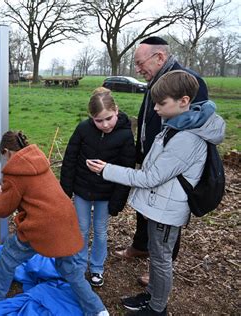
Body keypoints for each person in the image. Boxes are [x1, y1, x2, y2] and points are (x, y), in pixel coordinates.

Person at [87, 70, 225, 315]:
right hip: (161, 204)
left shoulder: (187, 139)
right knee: (157, 255)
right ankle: (151, 296)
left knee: (161, 260)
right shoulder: (177, 125)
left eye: (161, 103)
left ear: (183, 101)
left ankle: (157, 307)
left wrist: (107, 170)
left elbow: (151, 176)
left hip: (167, 210)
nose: (156, 109)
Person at [0, 131, 108, 315]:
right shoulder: (38, 162)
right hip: (66, 220)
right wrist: (4, 193)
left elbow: (2, 209)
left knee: (9, 254)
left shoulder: (15, 173)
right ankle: (98, 310)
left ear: (6, 151)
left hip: (42, 227)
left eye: (4, 157)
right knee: (69, 269)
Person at [117, 36, 209, 286]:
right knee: (145, 204)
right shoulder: (156, 80)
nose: (137, 69)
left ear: (159, 57)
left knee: (166, 213)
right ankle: (140, 245)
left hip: (172, 165)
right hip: (150, 155)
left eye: (139, 63)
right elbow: (148, 119)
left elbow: (197, 126)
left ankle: (162, 266)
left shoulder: (187, 81)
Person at [60, 87, 135, 287]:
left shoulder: (126, 136)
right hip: (82, 189)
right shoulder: (83, 129)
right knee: (82, 229)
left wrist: (118, 201)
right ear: (91, 118)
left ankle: (97, 268)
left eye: (108, 118)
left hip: (106, 193)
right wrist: (66, 190)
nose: (104, 124)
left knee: (100, 230)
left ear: (116, 110)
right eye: (98, 120)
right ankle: (78, 265)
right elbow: (70, 159)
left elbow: (127, 170)